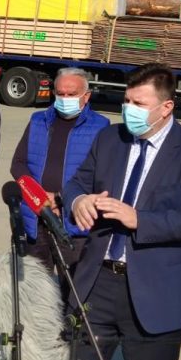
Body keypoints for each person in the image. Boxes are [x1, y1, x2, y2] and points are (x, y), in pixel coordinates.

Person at [63, 63, 181, 360]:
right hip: (96, 284)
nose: (128, 109)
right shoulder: (110, 138)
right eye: (126, 101)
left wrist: (140, 220)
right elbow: (77, 183)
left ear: (166, 107)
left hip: (157, 292)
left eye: (139, 103)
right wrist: (79, 201)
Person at [10, 68, 109, 299]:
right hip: (35, 218)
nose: (64, 99)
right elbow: (18, 164)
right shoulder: (38, 121)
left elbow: (100, 176)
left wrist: (60, 198)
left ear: (86, 96)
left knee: (74, 291)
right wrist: (39, 198)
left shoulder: (101, 127)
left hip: (74, 224)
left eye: (71, 94)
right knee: (33, 291)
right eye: (60, 93)